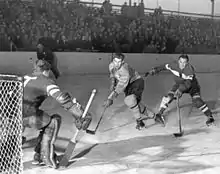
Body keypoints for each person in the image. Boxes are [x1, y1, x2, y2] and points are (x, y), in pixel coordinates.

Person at [22, 59, 92, 169]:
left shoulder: (25, 77)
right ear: (47, 71)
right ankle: (43, 155)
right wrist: (78, 114)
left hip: (8, 114)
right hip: (28, 115)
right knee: (53, 121)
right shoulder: (45, 81)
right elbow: (62, 98)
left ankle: (9, 151)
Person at [147, 54, 215, 127]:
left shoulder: (189, 69)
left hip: (192, 86)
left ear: (187, 63)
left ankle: (210, 117)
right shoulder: (173, 65)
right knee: (168, 97)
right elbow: (164, 66)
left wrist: (180, 90)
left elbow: (188, 83)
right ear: (178, 61)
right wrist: (155, 70)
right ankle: (159, 115)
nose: (182, 64)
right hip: (179, 84)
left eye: (184, 62)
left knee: (197, 101)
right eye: (181, 62)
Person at [104, 53, 153, 130]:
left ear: (122, 62)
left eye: (119, 62)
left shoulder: (124, 70)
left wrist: (111, 98)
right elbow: (112, 74)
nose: (117, 64)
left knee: (130, 100)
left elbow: (121, 86)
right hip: (128, 85)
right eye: (115, 61)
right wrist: (113, 82)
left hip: (136, 82)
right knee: (134, 104)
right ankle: (155, 116)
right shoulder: (111, 65)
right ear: (112, 61)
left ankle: (139, 122)